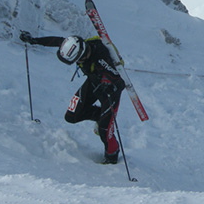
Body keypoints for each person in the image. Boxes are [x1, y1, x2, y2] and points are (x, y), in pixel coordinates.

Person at [20, 31, 125, 164]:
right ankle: (100, 116)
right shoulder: (76, 45)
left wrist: (109, 85)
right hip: (93, 83)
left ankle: (112, 158)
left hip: (110, 92)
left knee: (104, 130)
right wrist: (33, 40)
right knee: (71, 116)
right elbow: (56, 41)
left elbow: (119, 81)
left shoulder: (101, 56)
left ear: (81, 56)